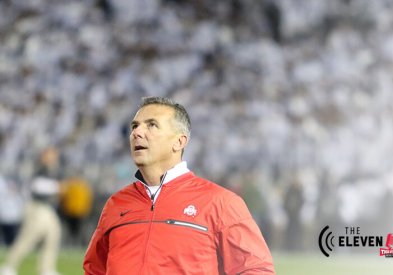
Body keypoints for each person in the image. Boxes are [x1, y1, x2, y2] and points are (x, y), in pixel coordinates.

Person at [83, 97, 275, 274]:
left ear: (179, 142)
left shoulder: (221, 203)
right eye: (135, 126)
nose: (137, 132)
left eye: (151, 125)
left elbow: (256, 269)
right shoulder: (116, 204)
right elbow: (94, 270)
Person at [0, 147, 63, 275]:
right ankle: (9, 266)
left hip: (47, 208)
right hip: (36, 207)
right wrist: (57, 187)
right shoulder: (39, 167)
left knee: (53, 235)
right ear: (44, 156)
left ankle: (46, 269)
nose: (53, 157)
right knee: (28, 238)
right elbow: (37, 186)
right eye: (50, 155)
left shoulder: (54, 169)